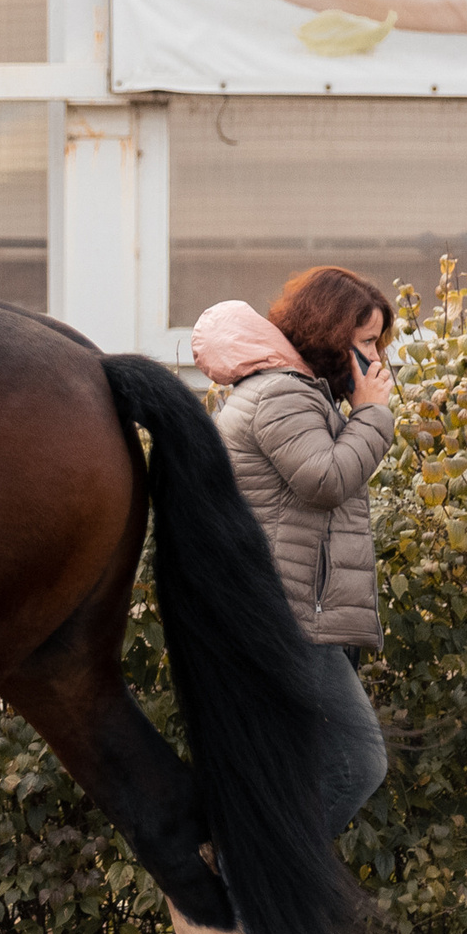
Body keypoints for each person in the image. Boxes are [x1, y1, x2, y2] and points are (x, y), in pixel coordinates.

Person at [190, 266, 396, 837]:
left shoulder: (297, 392)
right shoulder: (283, 393)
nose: (376, 359)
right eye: (365, 343)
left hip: (297, 613)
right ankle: (247, 896)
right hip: (287, 617)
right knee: (357, 766)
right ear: (331, 336)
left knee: (297, 773)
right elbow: (326, 480)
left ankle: (252, 903)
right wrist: (374, 414)